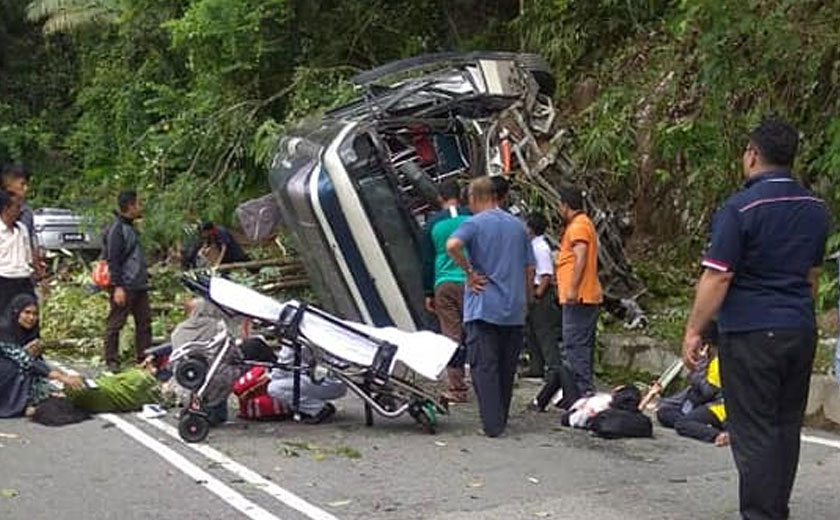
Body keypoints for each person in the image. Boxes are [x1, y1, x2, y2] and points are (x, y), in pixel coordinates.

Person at [681, 119, 830, 520]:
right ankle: (775, 509)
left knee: (754, 432)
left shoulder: (740, 207)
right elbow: (811, 278)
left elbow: (719, 275)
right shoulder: (816, 209)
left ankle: (762, 515)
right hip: (798, 329)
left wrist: (695, 330)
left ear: (751, 154)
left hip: (751, 333)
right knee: (784, 426)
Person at [446, 176, 535, 437]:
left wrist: (470, 272)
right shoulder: (518, 227)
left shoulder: (473, 223)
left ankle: (492, 425)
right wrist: (526, 299)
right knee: (506, 367)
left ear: (474, 198)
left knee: (484, 367)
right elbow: (529, 268)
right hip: (513, 308)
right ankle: (501, 418)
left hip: (484, 306)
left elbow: (452, 245)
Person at [421, 179, 471, 403]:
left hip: (444, 284)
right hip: (473, 282)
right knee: (478, 333)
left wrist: (428, 292)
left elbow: (427, 261)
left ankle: (457, 388)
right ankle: (486, 381)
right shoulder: (472, 217)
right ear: (460, 195)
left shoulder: (432, 224)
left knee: (451, 336)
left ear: (439, 198)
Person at [0, 294, 82, 418]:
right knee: (16, 367)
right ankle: (13, 406)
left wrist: (52, 386)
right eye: (27, 313)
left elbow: (38, 364)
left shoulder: (27, 332)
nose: (31, 318)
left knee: (48, 388)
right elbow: (25, 361)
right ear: (16, 312)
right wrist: (61, 377)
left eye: (35, 314)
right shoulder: (4, 331)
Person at [555, 185, 602, 396]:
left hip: (579, 297)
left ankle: (583, 393)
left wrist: (572, 289)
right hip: (583, 296)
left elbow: (581, 256)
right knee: (580, 345)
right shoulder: (583, 224)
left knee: (575, 346)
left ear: (565, 205)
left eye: (559, 205)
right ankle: (579, 391)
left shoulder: (578, 226)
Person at [104, 190, 151, 372]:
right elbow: (113, 260)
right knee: (116, 323)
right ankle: (111, 360)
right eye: (138, 203)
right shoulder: (118, 230)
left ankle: (145, 358)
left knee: (144, 323)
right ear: (130, 206)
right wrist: (118, 287)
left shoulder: (132, 227)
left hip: (139, 284)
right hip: (125, 285)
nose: (141, 207)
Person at [656, 321, 721, 429]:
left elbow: (707, 392)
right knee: (664, 412)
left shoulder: (717, 362)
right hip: (694, 404)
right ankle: (690, 422)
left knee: (679, 420)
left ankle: (694, 424)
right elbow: (690, 389)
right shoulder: (708, 359)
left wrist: (701, 365)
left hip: (711, 406)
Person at [522, 212, 563, 379]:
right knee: (531, 331)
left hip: (540, 292)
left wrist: (537, 294)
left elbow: (546, 274)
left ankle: (553, 368)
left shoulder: (540, 248)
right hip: (532, 291)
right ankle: (536, 365)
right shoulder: (533, 246)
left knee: (544, 332)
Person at [0, 190, 35, 316]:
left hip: (24, 280)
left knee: (29, 317)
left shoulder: (22, 229)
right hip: (4, 280)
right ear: (6, 209)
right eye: (16, 207)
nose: (19, 211)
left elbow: (29, 254)